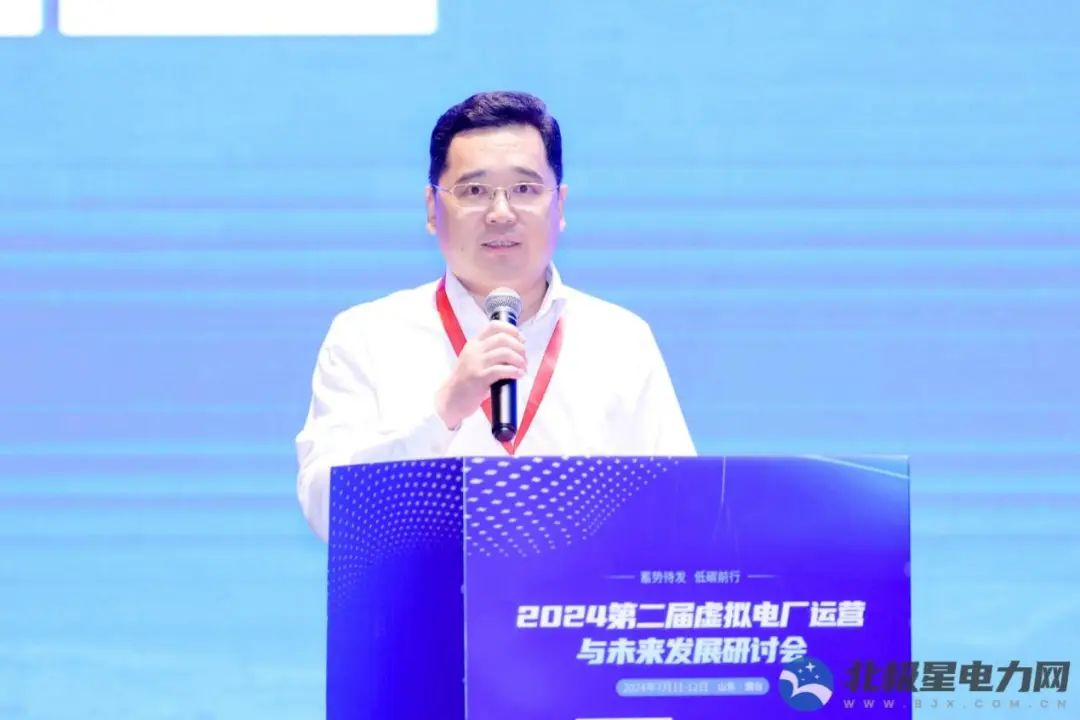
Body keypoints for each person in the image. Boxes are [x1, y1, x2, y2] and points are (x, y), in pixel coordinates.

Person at [295, 91, 695, 540]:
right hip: (423, 586)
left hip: (580, 587)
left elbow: (680, 509)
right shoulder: (366, 336)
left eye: (524, 189)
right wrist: (445, 410)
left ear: (560, 205)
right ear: (432, 208)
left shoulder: (620, 339)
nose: (500, 213)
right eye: (474, 191)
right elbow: (326, 510)